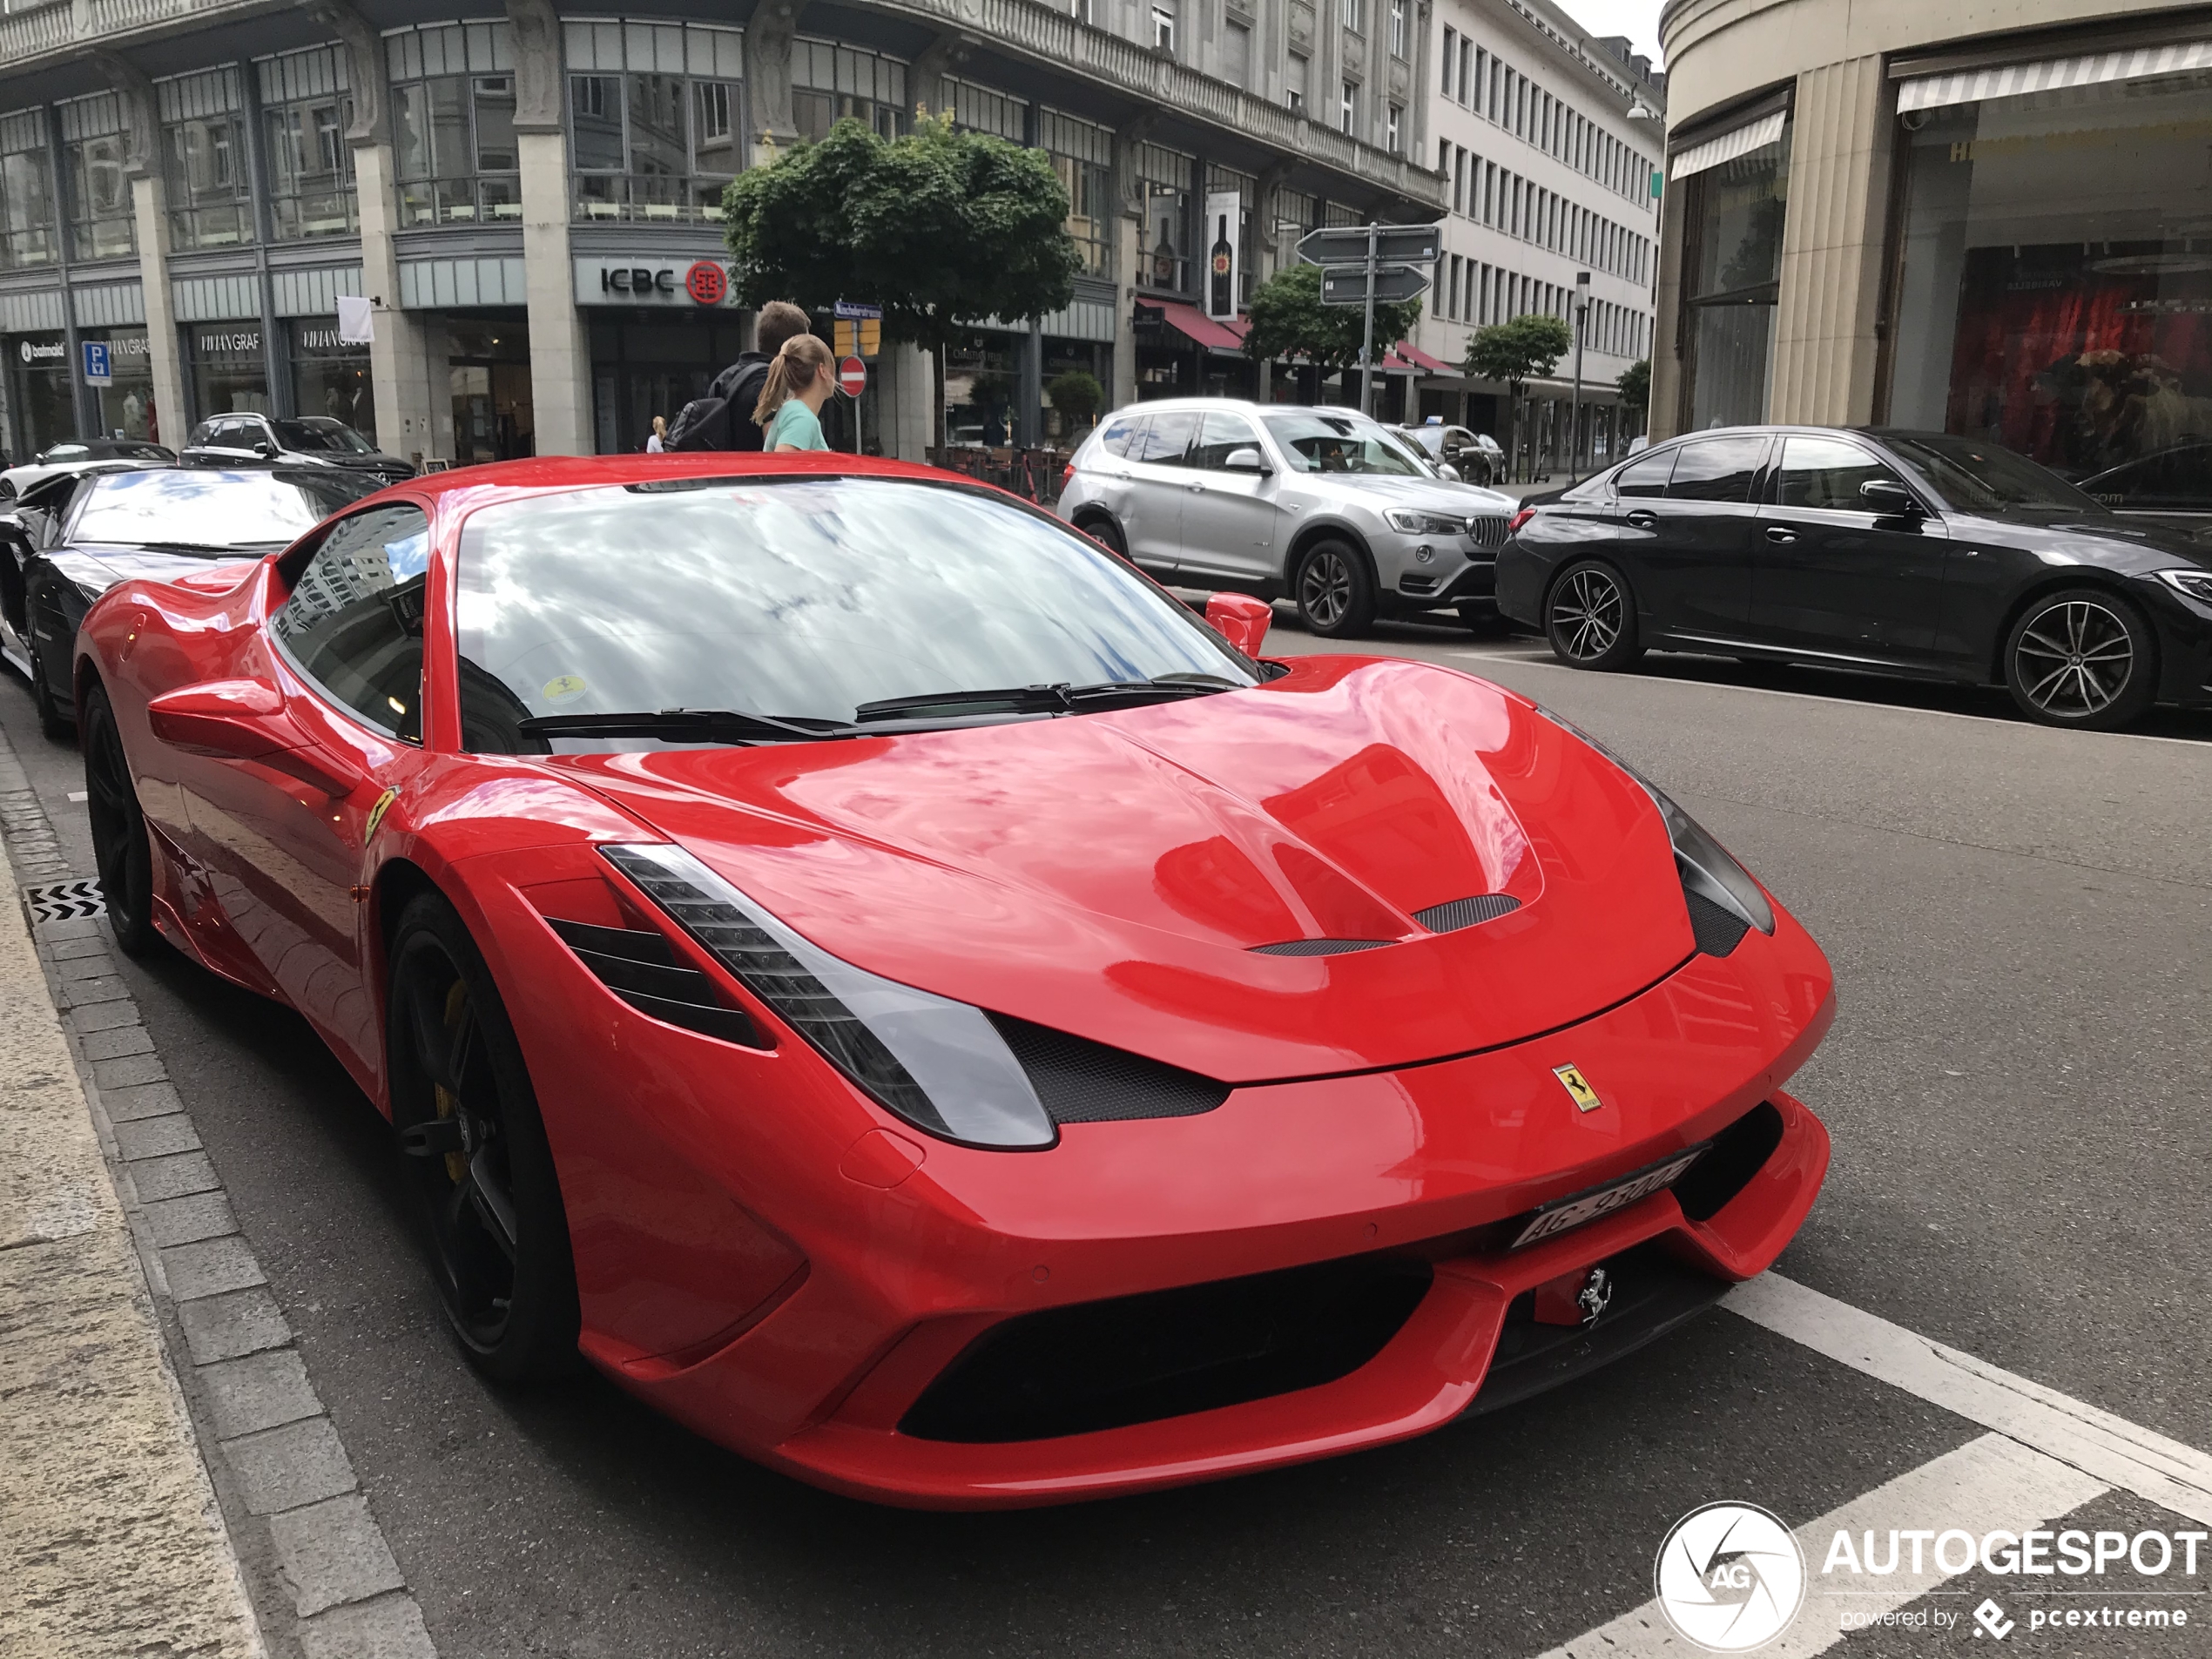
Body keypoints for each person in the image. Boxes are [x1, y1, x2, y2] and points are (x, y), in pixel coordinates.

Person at [664, 300, 812, 451]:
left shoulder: (725, 378)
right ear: (793, 346)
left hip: (727, 471)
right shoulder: (774, 384)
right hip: (760, 473)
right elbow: (781, 455)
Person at [753, 334, 835, 452]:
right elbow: (785, 466)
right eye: (832, 367)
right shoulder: (801, 418)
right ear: (822, 370)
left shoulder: (793, 411)